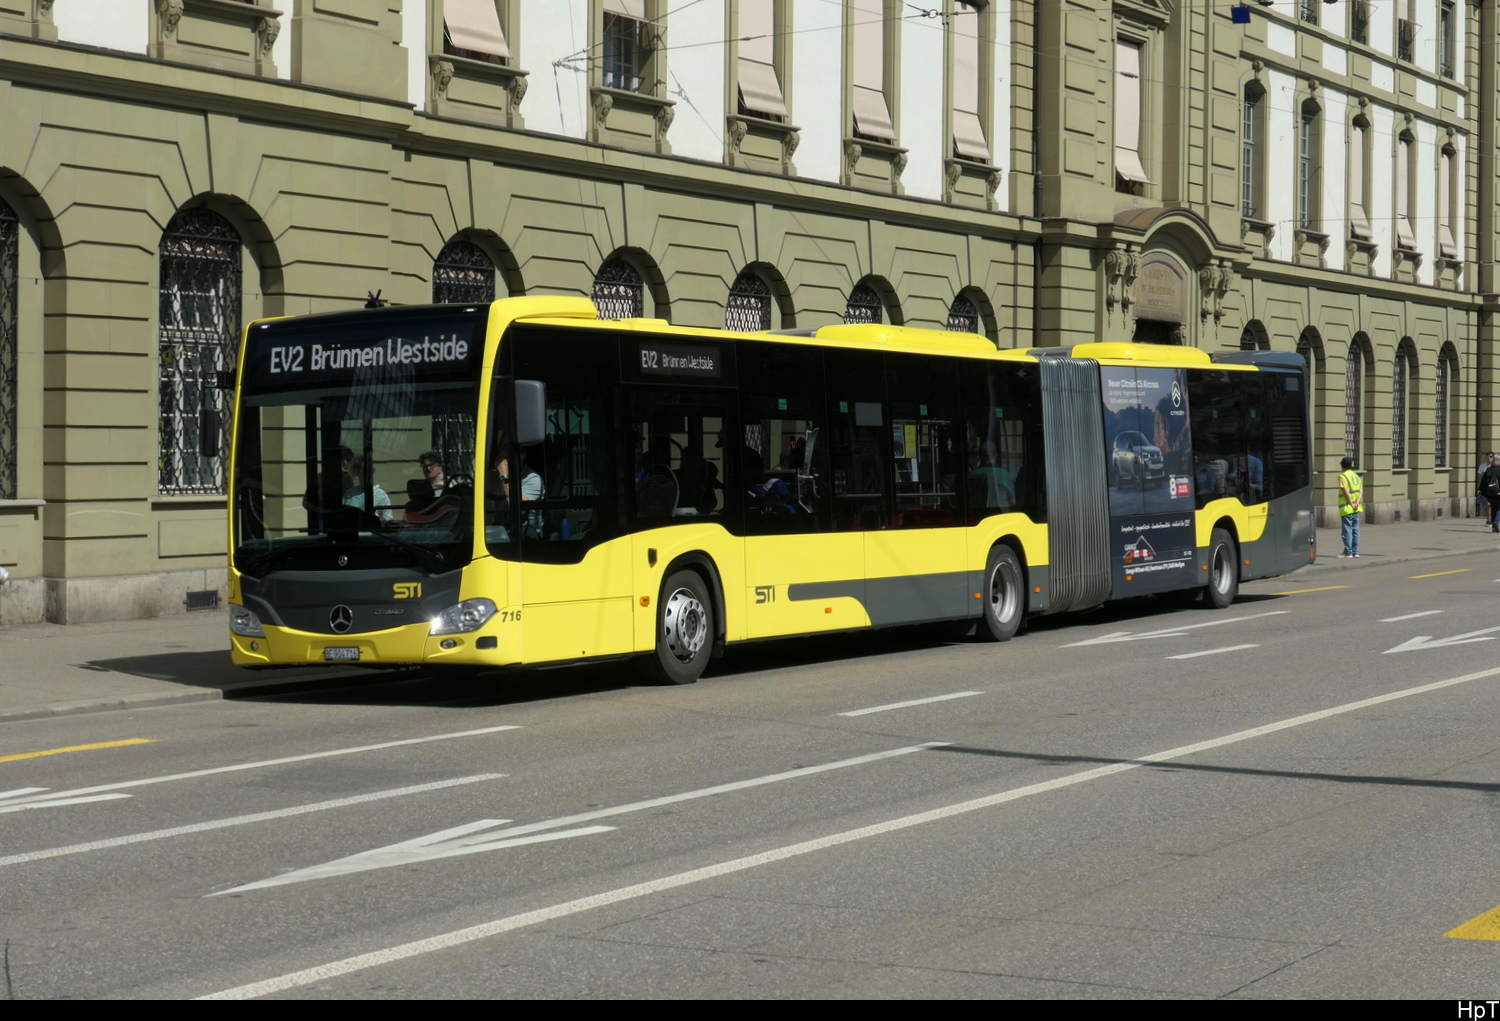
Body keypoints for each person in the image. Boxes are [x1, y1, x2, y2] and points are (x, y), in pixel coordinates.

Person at [342, 454, 393, 523]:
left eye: (367, 470)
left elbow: (388, 518)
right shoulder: (350, 494)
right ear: (356, 471)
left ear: (373, 471)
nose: (363, 473)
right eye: (359, 469)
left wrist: (376, 521)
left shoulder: (381, 495)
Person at [1337, 456, 1363, 558]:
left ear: (1342, 466)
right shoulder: (1356, 476)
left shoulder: (1342, 476)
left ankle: (1348, 552)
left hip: (1347, 508)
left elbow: (1346, 491)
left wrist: (1351, 503)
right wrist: (1356, 502)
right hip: (1357, 507)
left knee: (1347, 530)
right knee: (1355, 530)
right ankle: (1356, 551)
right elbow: (1361, 491)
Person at [1480, 455, 1500, 534]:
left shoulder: (1488, 470)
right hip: (1499, 493)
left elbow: (1483, 482)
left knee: (1493, 508)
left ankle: (1494, 527)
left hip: (1490, 493)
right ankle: (1496, 521)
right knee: (1499, 508)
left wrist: (1482, 492)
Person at [1477, 452, 1495, 527]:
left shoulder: (1496, 467)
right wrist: (1479, 487)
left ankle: (1490, 520)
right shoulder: (1482, 466)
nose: (1489, 458)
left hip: (1493, 489)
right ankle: (1489, 519)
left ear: (1493, 458)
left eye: (1490, 457)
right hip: (1485, 489)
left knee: (1490, 504)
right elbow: (1480, 477)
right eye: (1487, 456)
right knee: (1486, 505)